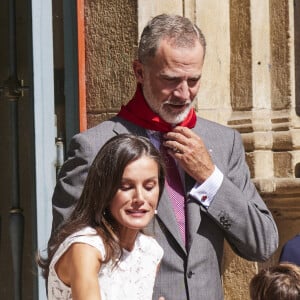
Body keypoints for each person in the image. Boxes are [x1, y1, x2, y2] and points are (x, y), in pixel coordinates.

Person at [50, 14, 279, 300]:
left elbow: (263, 243)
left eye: (193, 80)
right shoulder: (94, 147)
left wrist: (210, 178)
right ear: (139, 72)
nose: (184, 94)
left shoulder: (223, 142)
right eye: (171, 80)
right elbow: (63, 254)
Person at [38, 134, 166, 299]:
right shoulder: (86, 248)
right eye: (126, 187)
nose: (140, 198)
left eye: (149, 186)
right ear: (105, 190)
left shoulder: (150, 251)